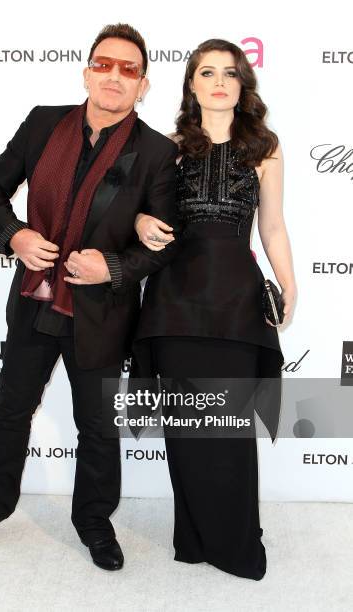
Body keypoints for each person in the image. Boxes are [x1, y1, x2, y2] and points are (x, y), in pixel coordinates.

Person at [0, 23, 181, 571]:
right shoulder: (42, 123)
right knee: (11, 409)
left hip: (101, 314)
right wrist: (15, 235)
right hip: (35, 297)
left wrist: (114, 265)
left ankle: (94, 522)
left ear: (143, 86)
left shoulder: (155, 152)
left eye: (130, 70)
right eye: (105, 64)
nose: (115, 76)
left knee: (99, 428)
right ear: (87, 72)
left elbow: (163, 244)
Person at [131, 38, 297, 580]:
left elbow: (271, 226)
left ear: (242, 83)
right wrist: (138, 224)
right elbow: (139, 216)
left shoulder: (265, 147)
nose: (220, 81)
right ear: (192, 84)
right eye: (208, 72)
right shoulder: (168, 145)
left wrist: (288, 283)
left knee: (227, 428)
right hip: (175, 296)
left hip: (235, 299)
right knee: (186, 429)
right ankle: (195, 539)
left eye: (230, 72)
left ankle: (236, 542)